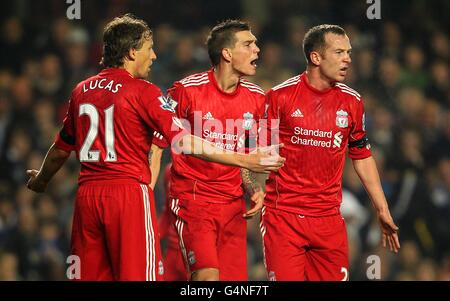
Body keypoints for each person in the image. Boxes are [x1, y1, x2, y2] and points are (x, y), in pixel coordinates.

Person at [25, 14, 284, 281]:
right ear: (132, 52)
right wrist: (244, 160)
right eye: (150, 49)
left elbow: (60, 148)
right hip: (133, 195)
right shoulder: (146, 91)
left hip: (88, 196)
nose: (155, 56)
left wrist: (41, 180)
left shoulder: (82, 90)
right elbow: (180, 140)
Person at [260, 24, 400, 281]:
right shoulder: (280, 97)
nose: (347, 58)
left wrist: (382, 208)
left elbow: (361, 155)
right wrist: (252, 189)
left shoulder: (352, 101)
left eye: (348, 52)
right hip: (285, 216)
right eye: (339, 52)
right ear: (316, 57)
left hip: (329, 221)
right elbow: (256, 153)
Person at [164, 19, 267, 281]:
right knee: (207, 279)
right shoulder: (186, 91)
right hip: (194, 201)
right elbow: (159, 144)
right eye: (249, 44)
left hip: (233, 208)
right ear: (227, 53)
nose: (257, 49)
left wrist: (253, 188)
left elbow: (247, 156)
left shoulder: (257, 99)